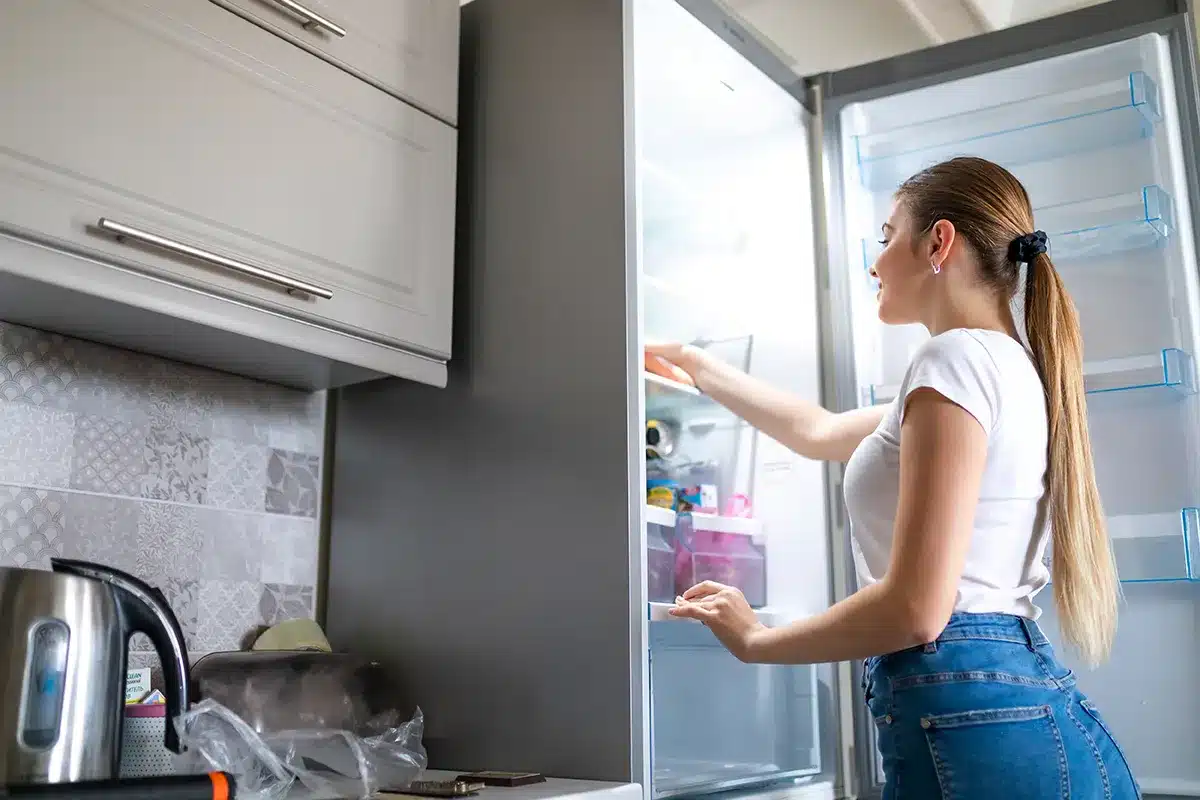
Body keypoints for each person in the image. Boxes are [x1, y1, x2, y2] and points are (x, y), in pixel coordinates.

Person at [647, 156, 1138, 799]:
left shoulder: (953, 360)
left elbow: (916, 609)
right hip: (1012, 710)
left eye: (885, 237)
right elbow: (817, 432)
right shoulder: (1001, 365)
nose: (875, 262)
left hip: (974, 714)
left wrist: (758, 640)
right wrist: (692, 362)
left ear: (938, 242)